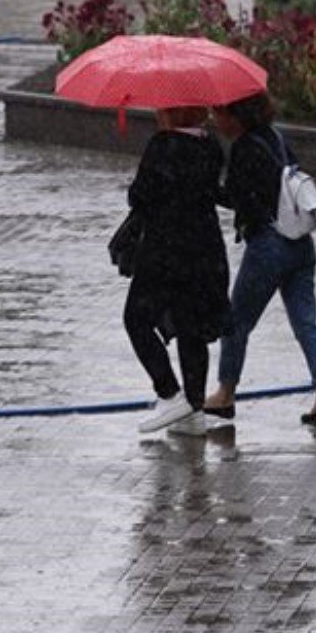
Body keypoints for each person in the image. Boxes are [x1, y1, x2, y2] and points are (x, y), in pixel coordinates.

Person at [204, 93, 316, 426]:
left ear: (235, 116)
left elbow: (237, 199)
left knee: (235, 322)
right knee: (306, 322)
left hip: (268, 246)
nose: (214, 119)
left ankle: (225, 393)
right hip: (301, 245)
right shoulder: (276, 139)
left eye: (217, 112)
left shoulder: (244, 148)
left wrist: (207, 187)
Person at [124, 105, 232, 436]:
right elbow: (210, 191)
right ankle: (194, 408)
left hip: (165, 250)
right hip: (204, 249)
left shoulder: (163, 145)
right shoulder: (209, 144)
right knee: (191, 326)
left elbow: (140, 197)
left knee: (136, 318)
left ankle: (169, 392)